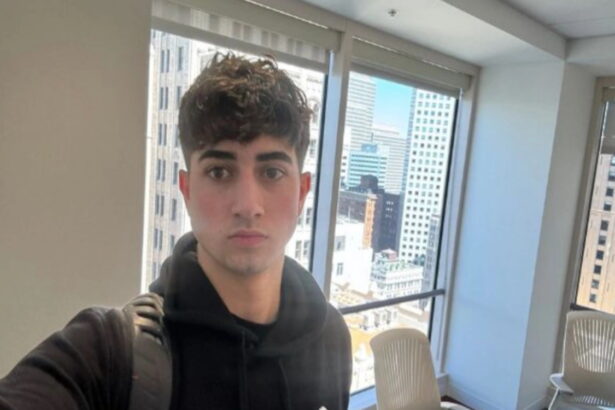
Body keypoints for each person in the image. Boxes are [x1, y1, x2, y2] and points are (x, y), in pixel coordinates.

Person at [0, 52, 352, 410]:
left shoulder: (331, 338)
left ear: (302, 192)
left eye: (272, 172)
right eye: (219, 172)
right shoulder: (112, 352)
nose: (248, 205)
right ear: (187, 190)